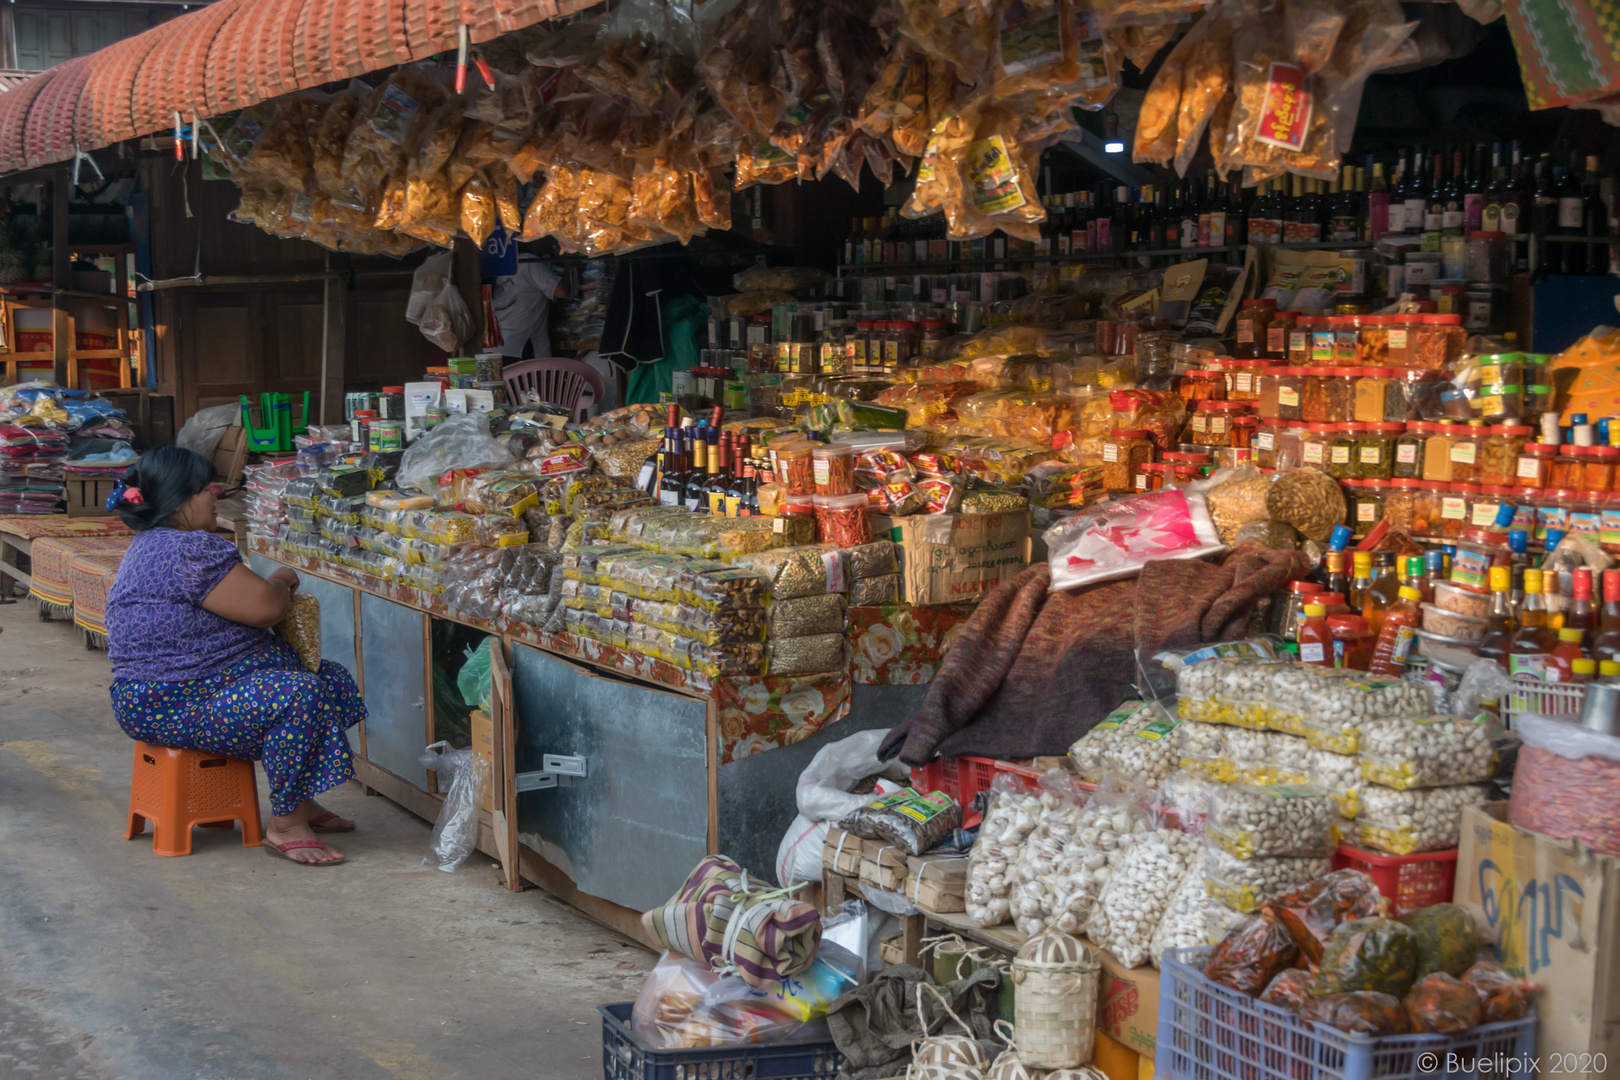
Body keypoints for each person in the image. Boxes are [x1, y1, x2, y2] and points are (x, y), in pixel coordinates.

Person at [103, 446, 366, 866]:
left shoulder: (152, 543)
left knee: (328, 679)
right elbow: (265, 608)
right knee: (300, 695)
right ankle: (285, 824)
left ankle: (301, 799)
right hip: (176, 699)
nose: (217, 496)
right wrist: (281, 579)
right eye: (207, 489)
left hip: (165, 696)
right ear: (180, 498)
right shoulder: (189, 550)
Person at [492, 253, 569, 362]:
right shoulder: (527, 261)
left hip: (493, 346)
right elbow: (561, 292)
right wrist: (569, 266)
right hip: (523, 346)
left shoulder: (492, 263)